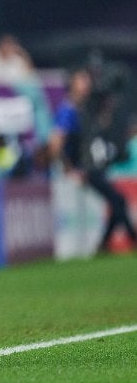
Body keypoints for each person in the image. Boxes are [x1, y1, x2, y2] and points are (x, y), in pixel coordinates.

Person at [48, 68, 137, 252]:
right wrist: (68, 168)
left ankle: (105, 243)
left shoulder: (86, 108)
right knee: (118, 200)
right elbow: (56, 142)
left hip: (92, 166)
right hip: (85, 168)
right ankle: (122, 239)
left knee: (118, 201)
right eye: (82, 80)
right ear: (72, 84)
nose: (86, 84)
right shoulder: (68, 109)